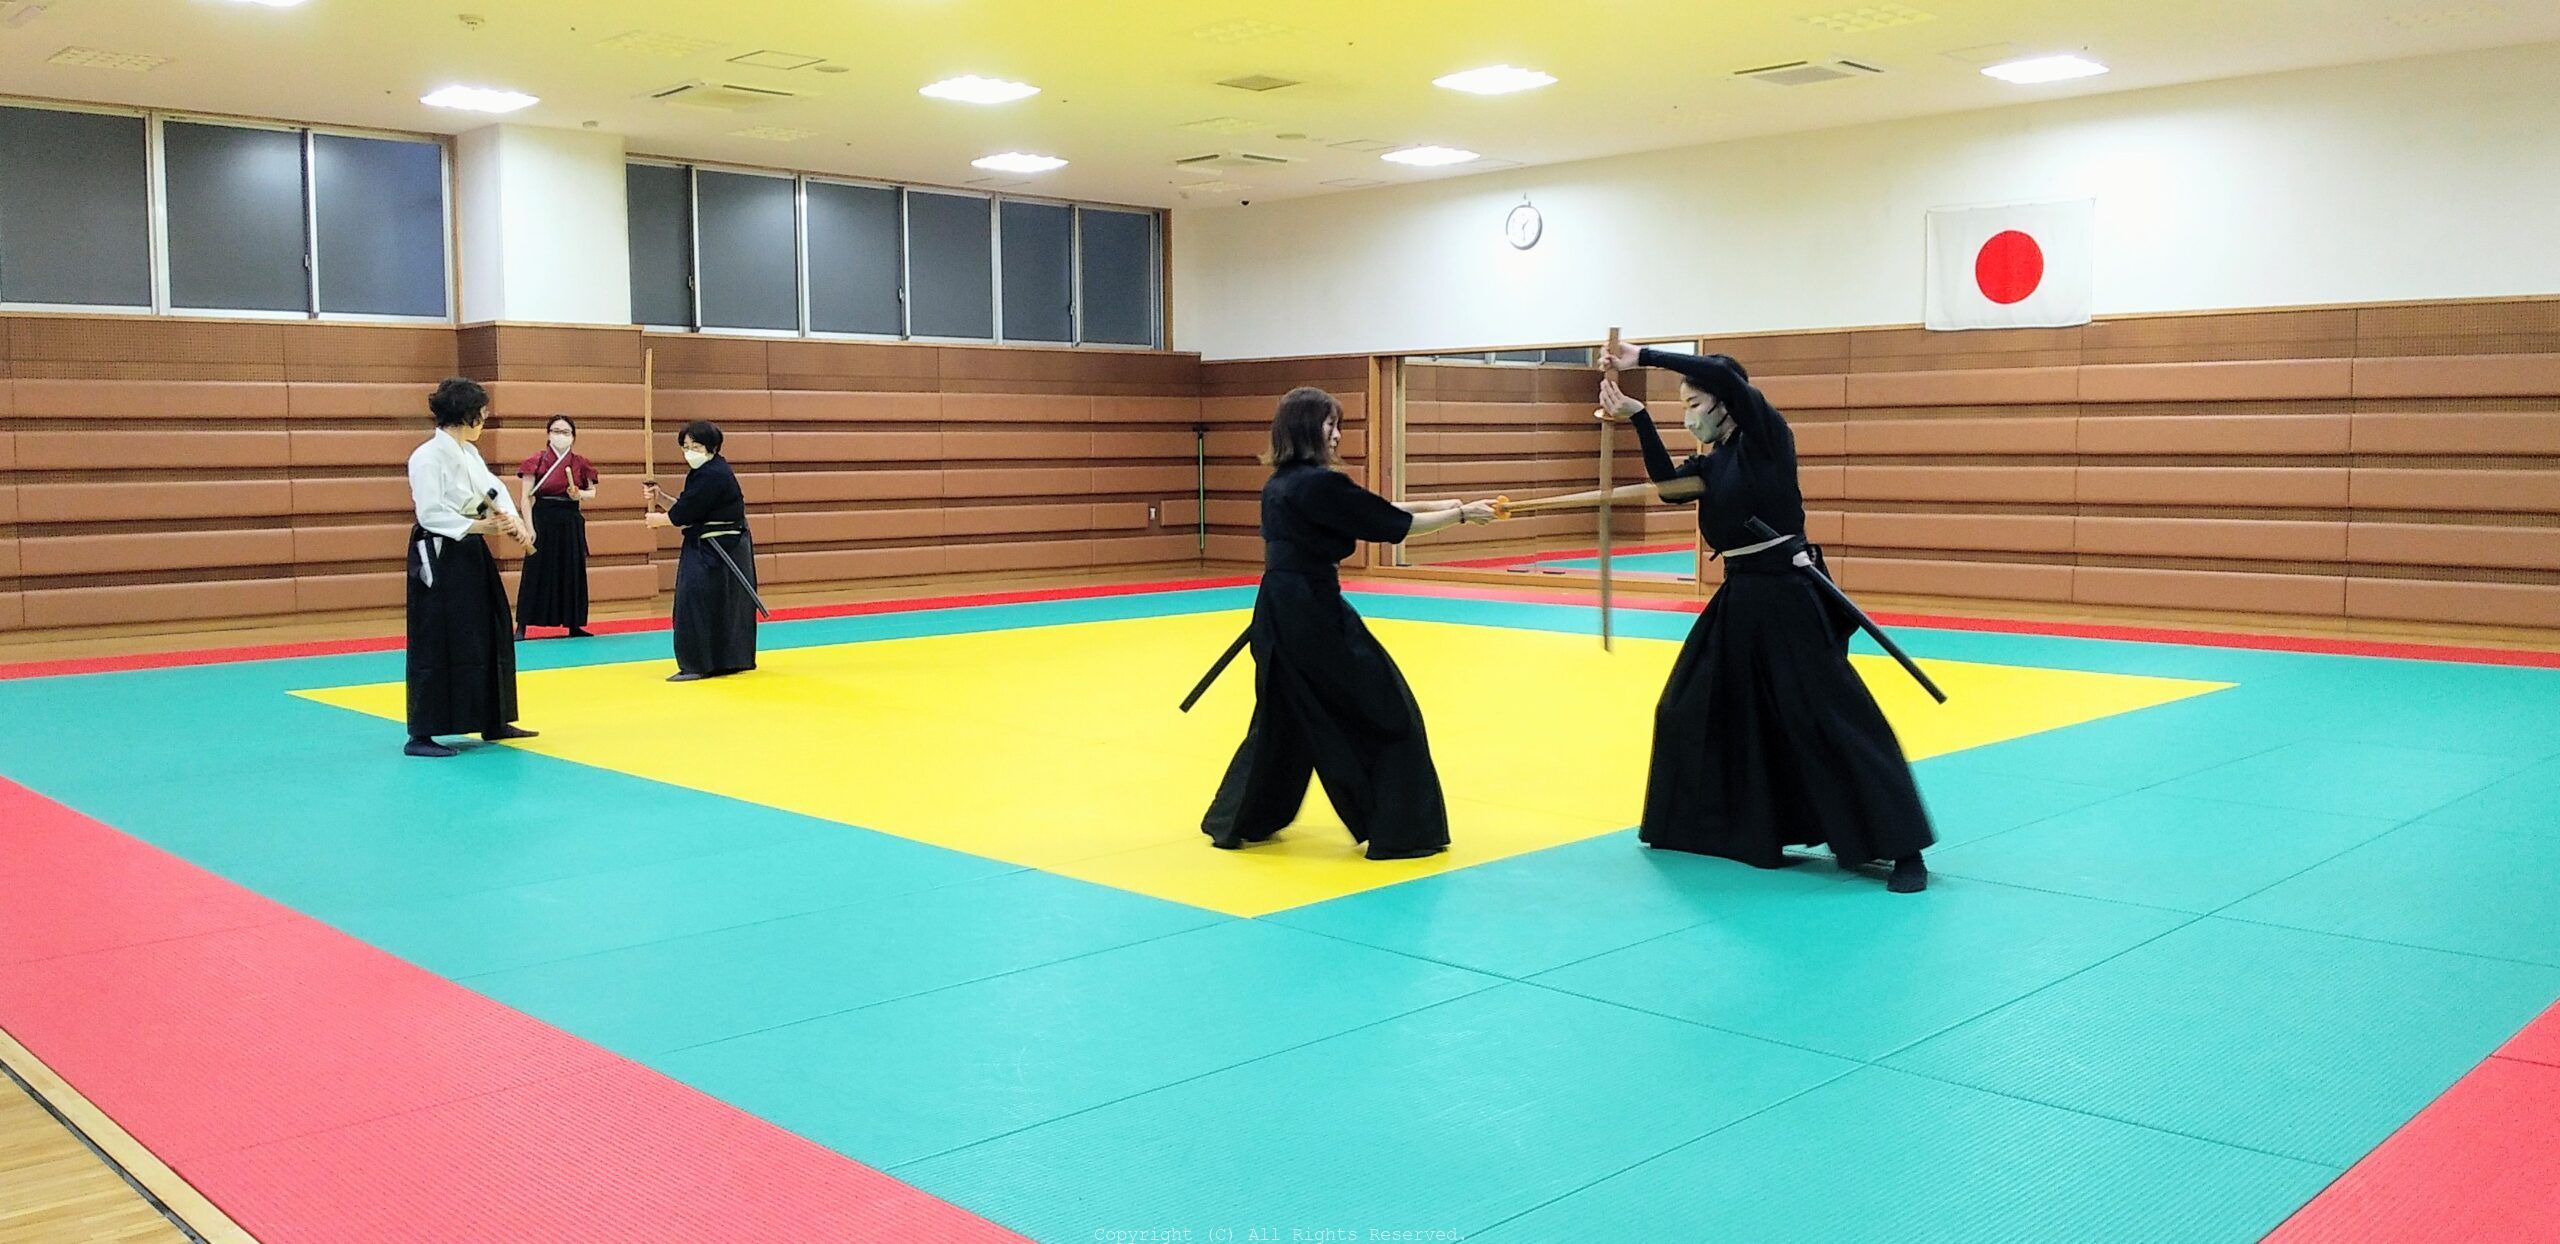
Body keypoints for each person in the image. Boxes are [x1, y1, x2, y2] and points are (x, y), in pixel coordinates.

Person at [1596, 340, 1935, 891]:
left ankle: (1904, 849)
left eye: (1693, 403)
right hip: (1739, 598)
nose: (1689, 416)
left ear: (1725, 402)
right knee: (1689, 705)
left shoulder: (1767, 439)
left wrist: (1646, 358)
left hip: (1788, 596)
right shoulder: (1714, 462)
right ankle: (1728, 830)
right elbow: (1670, 489)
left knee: (1827, 715)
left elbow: (1725, 377)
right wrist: (1639, 418)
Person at [1201, 387, 1498, 860]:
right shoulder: (1320, 485)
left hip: (1280, 610)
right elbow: (1390, 524)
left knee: (1284, 716)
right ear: (1306, 429)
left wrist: (1447, 504)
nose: (1338, 435)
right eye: (1330, 425)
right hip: (1313, 614)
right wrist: (1461, 516)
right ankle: (1400, 827)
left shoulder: (1283, 482)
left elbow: (1372, 509)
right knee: (1387, 710)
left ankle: (1244, 818)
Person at [403, 377, 539, 758]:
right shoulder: (427, 457)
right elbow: (430, 513)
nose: (484, 419)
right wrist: (481, 527)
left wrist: (514, 522)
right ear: (467, 416)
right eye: (482, 413)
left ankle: (494, 718)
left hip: (470, 550)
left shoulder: (469, 454)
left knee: (490, 626)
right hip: (439, 552)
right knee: (437, 635)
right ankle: (421, 734)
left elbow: (493, 491)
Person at [644, 421, 757, 682]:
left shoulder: (713, 474)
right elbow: (690, 507)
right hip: (717, 548)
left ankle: (697, 665)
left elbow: (684, 514)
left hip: (717, 550)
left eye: (695, 446)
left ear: (712, 447)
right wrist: (661, 498)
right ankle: (725, 661)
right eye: (685, 447)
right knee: (718, 604)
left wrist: (660, 520)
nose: (689, 452)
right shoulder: (705, 472)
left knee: (695, 603)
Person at [515, 415, 600, 639]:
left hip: (570, 520)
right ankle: (522, 625)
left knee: (572, 570)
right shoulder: (537, 461)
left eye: (565, 432)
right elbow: (525, 498)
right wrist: (529, 527)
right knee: (536, 570)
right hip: (542, 519)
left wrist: (579, 494)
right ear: (548, 434)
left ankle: (574, 624)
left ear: (573, 436)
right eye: (556, 431)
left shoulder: (580, 463)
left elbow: (592, 492)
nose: (560, 435)